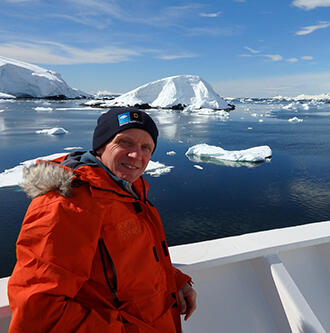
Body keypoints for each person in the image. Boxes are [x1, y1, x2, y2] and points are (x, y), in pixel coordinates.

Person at [8, 107, 197, 332]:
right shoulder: (67, 204)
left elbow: (130, 261)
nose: (137, 156)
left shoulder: (127, 190)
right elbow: (38, 312)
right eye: (125, 142)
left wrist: (173, 281)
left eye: (146, 147)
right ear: (101, 146)